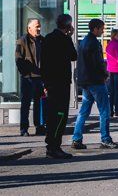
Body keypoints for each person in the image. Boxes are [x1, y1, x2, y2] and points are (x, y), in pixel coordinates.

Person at [72, 19, 118, 150]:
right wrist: (105, 74)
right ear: (95, 29)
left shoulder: (83, 42)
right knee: (105, 110)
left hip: (85, 82)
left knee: (84, 111)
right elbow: (98, 62)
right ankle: (105, 139)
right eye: (101, 28)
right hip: (95, 81)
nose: (102, 31)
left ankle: (76, 139)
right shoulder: (94, 43)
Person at [40, 14, 77, 159]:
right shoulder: (64, 39)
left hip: (50, 83)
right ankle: (55, 146)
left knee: (51, 115)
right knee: (60, 115)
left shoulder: (48, 38)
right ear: (68, 26)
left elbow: (43, 61)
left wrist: (45, 82)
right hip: (61, 83)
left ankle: (51, 145)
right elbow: (74, 56)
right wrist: (69, 36)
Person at [15, 18, 46, 136]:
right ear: (29, 28)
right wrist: (25, 73)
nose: (39, 28)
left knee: (39, 104)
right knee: (26, 103)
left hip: (40, 78)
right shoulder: (22, 41)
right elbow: (18, 60)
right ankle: (24, 129)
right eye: (36, 26)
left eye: (39, 26)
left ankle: (39, 126)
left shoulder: (43, 41)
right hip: (28, 78)